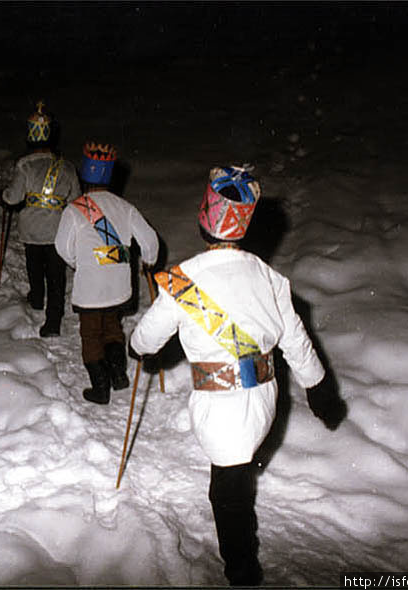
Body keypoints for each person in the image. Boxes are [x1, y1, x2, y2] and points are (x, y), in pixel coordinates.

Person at [128, 165, 346, 586]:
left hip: (221, 408)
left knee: (227, 493)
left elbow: (147, 338)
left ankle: (241, 570)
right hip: (265, 399)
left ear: (203, 220)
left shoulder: (183, 281)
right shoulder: (271, 278)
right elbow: (297, 342)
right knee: (237, 473)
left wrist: (137, 348)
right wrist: (319, 391)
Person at [55, 142, 159, 404]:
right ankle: (118, 374)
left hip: (90, 286)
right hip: (119, 285)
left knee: (91, 334)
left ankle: (100, 388)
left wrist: (80, 262)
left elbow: (62, 247)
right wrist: (149, 260)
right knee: (113, 326)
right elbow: (149, 240)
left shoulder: (74, 209)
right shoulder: (125, 207)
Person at [1, 101, 81, 337]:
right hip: (57, 230)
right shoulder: (66, 167)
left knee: (34, 265)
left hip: (31, 229)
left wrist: (3, 197)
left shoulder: (24, 166)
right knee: (56, 276)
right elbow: (76, 199)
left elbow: (13, 198)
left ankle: (36, 298)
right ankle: (53, 321)